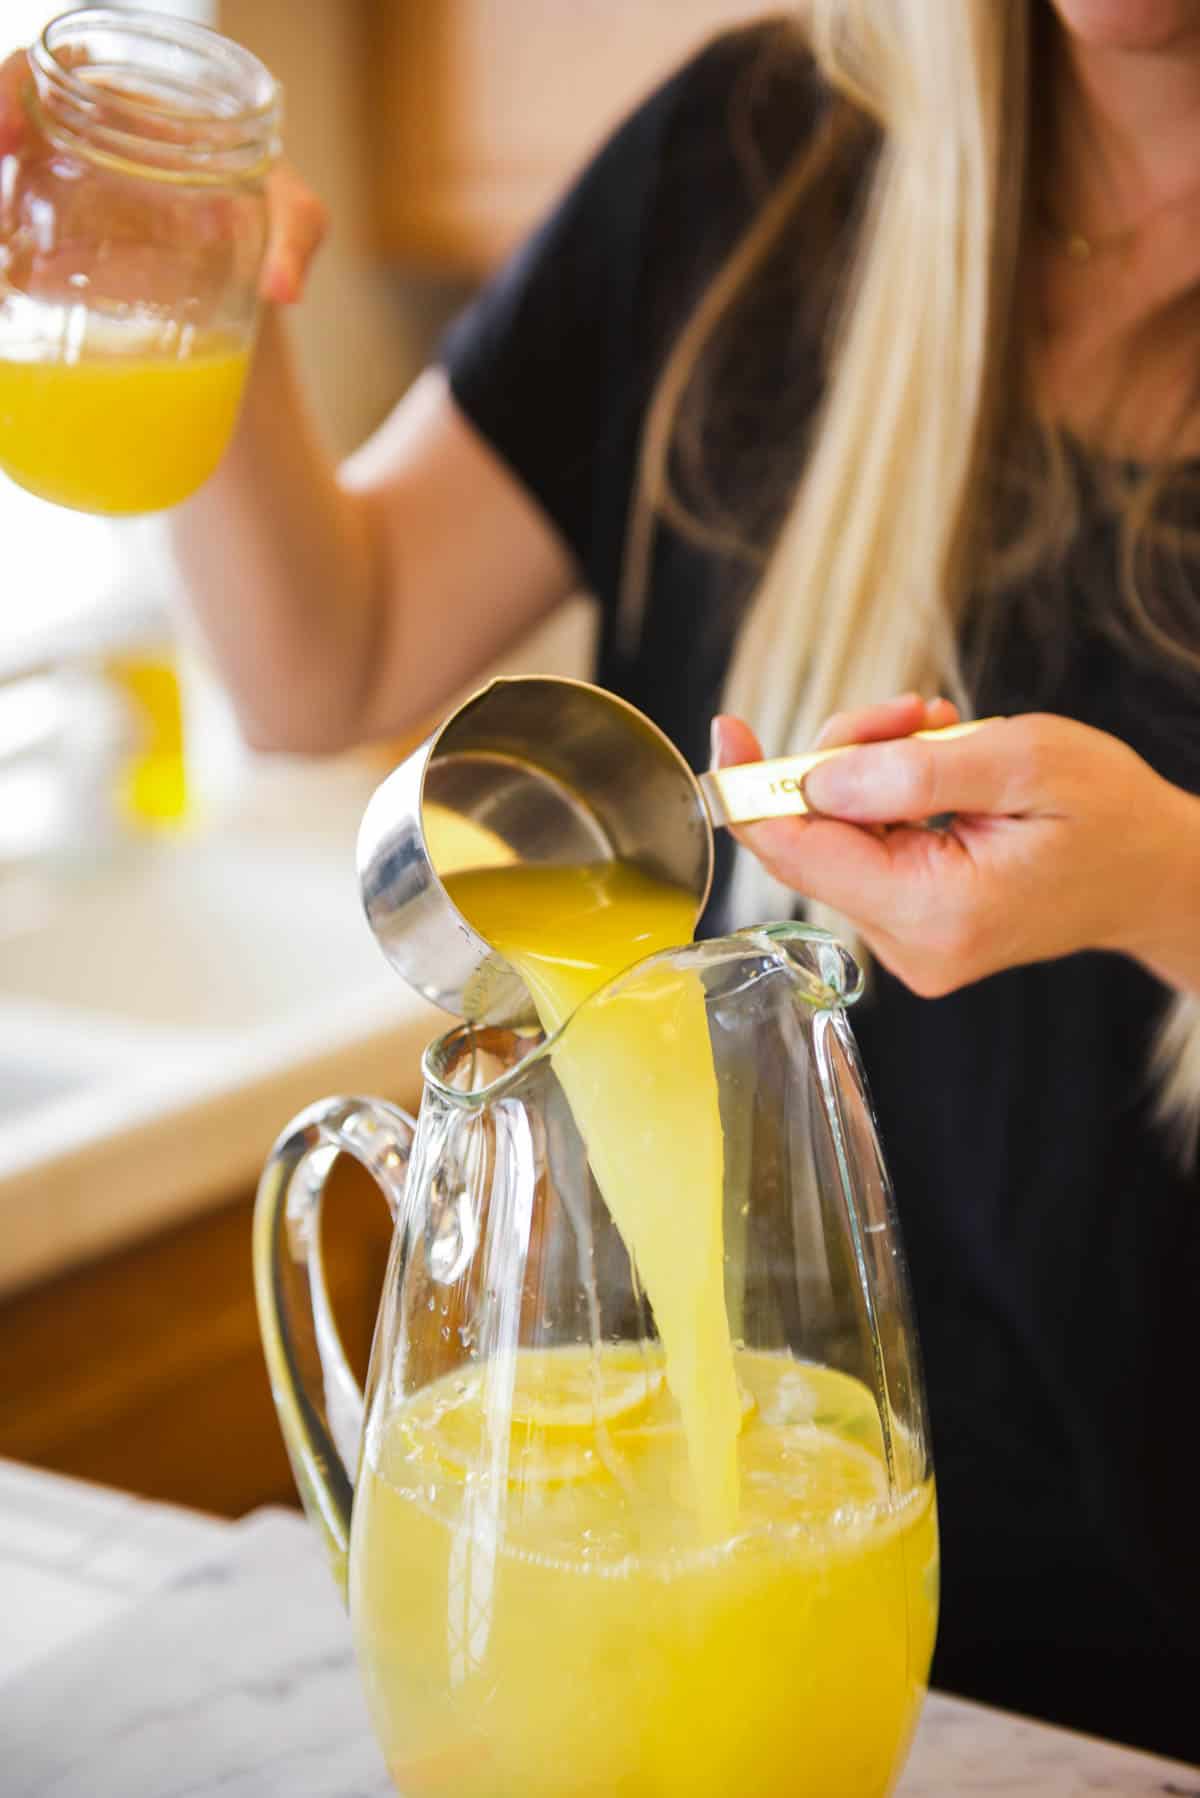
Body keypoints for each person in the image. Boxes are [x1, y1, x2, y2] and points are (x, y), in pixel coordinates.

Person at [4, 0, 1200, 1761]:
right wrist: (212, 296)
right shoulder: (754, 161)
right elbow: (322, 662)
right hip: (655, 1605)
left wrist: (1167, 878)